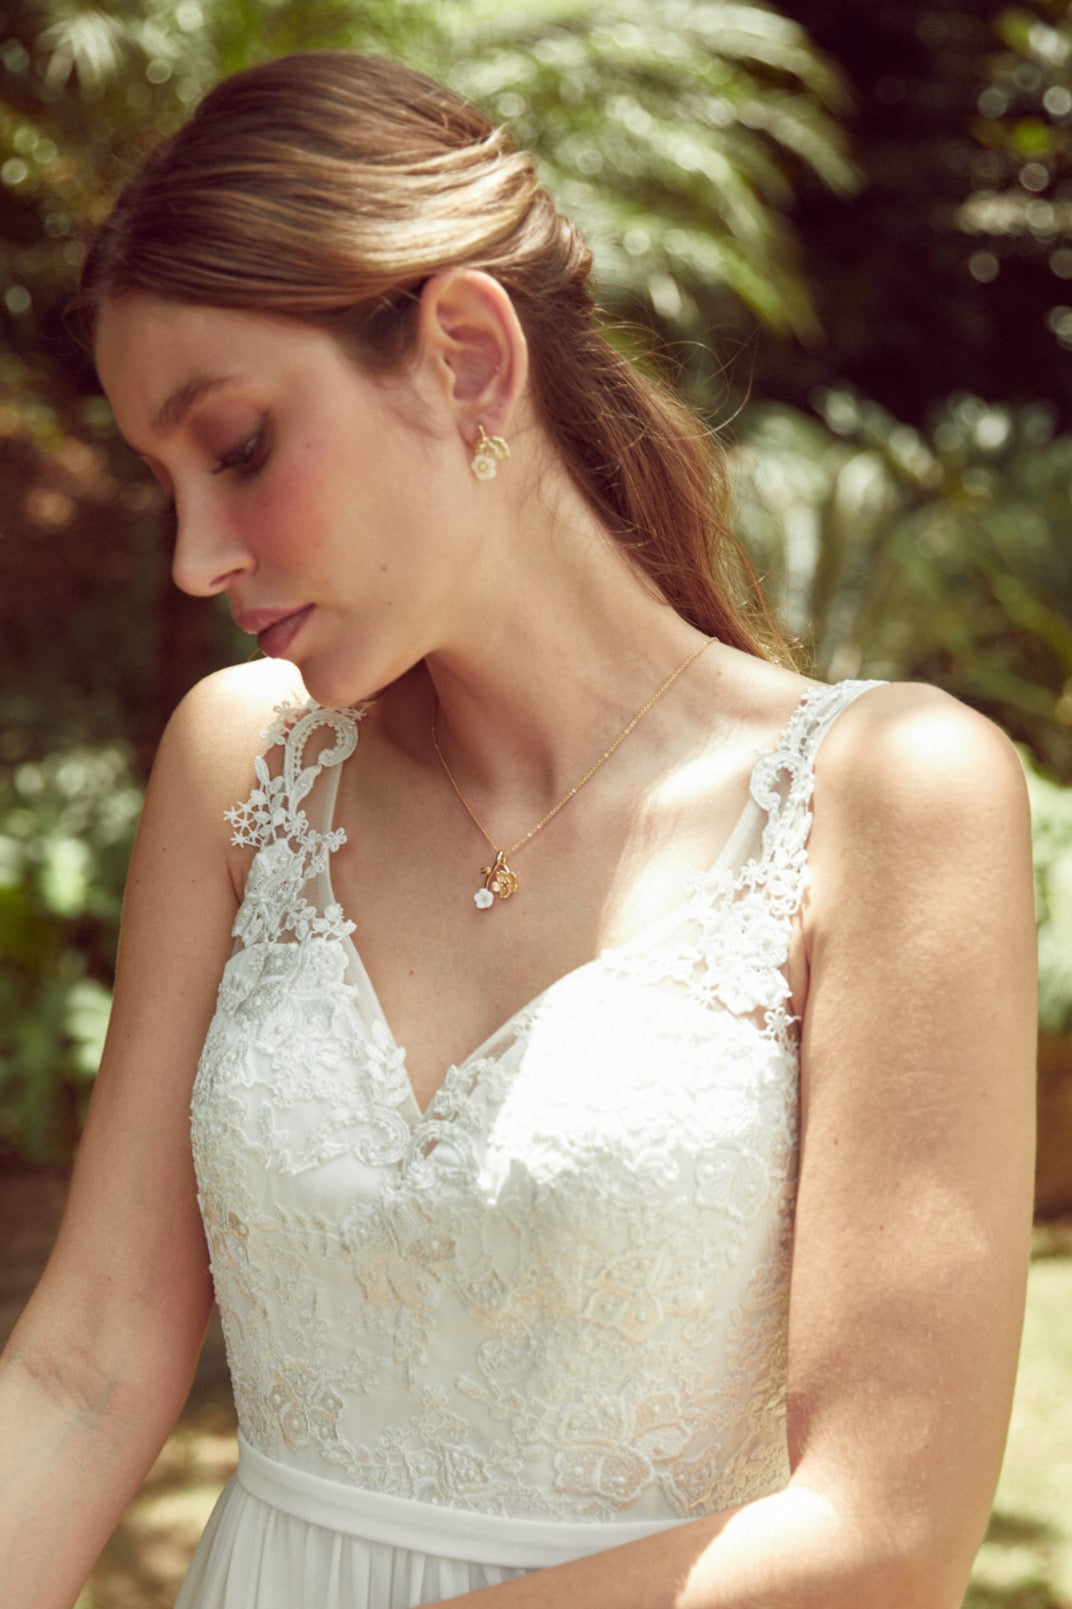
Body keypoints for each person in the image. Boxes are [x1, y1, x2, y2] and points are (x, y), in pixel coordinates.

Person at [0, 47, 1037, 1609]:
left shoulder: (889, 796)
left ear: (469, 359)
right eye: (167, 485)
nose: (197, 557)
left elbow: (881, 1536)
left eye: (241, 448)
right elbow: (86, 1362)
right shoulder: (245, 769)